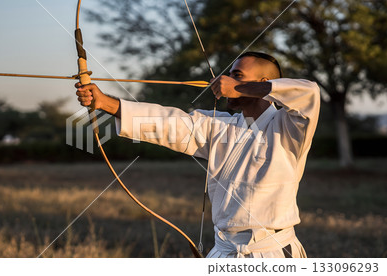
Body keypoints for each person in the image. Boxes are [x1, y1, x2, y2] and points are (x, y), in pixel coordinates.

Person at [75, 52, 320, 258]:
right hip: (224, 251)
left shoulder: (290, 126)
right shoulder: (220, 126)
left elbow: (309, 93)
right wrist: (105, 103)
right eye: (230, 75)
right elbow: (169, 123)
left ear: (263, 83)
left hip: (272, 252)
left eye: (237, 75)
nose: (226, 80)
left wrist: (239, 88)